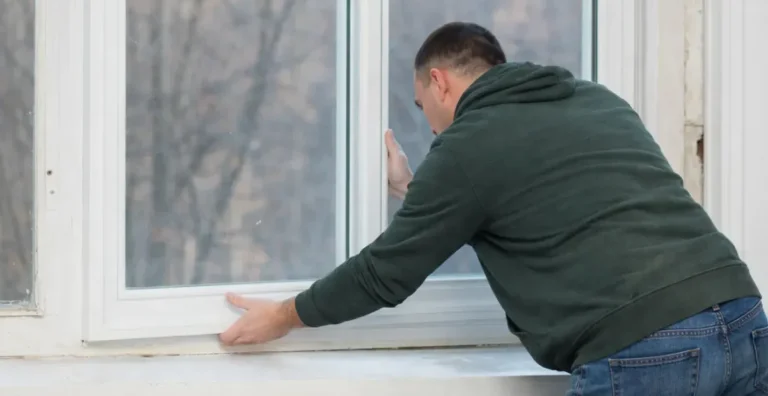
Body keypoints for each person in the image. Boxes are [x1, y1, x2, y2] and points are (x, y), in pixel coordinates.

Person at [218, 22, 766, 395]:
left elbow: (384, 274)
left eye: (421, 105)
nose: (429, 123)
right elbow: (543, 201)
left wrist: (285, 316)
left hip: (646, 351)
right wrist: (415, 191)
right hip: (743, 318)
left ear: (439, 82)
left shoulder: (467, 145)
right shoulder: (597, 99)